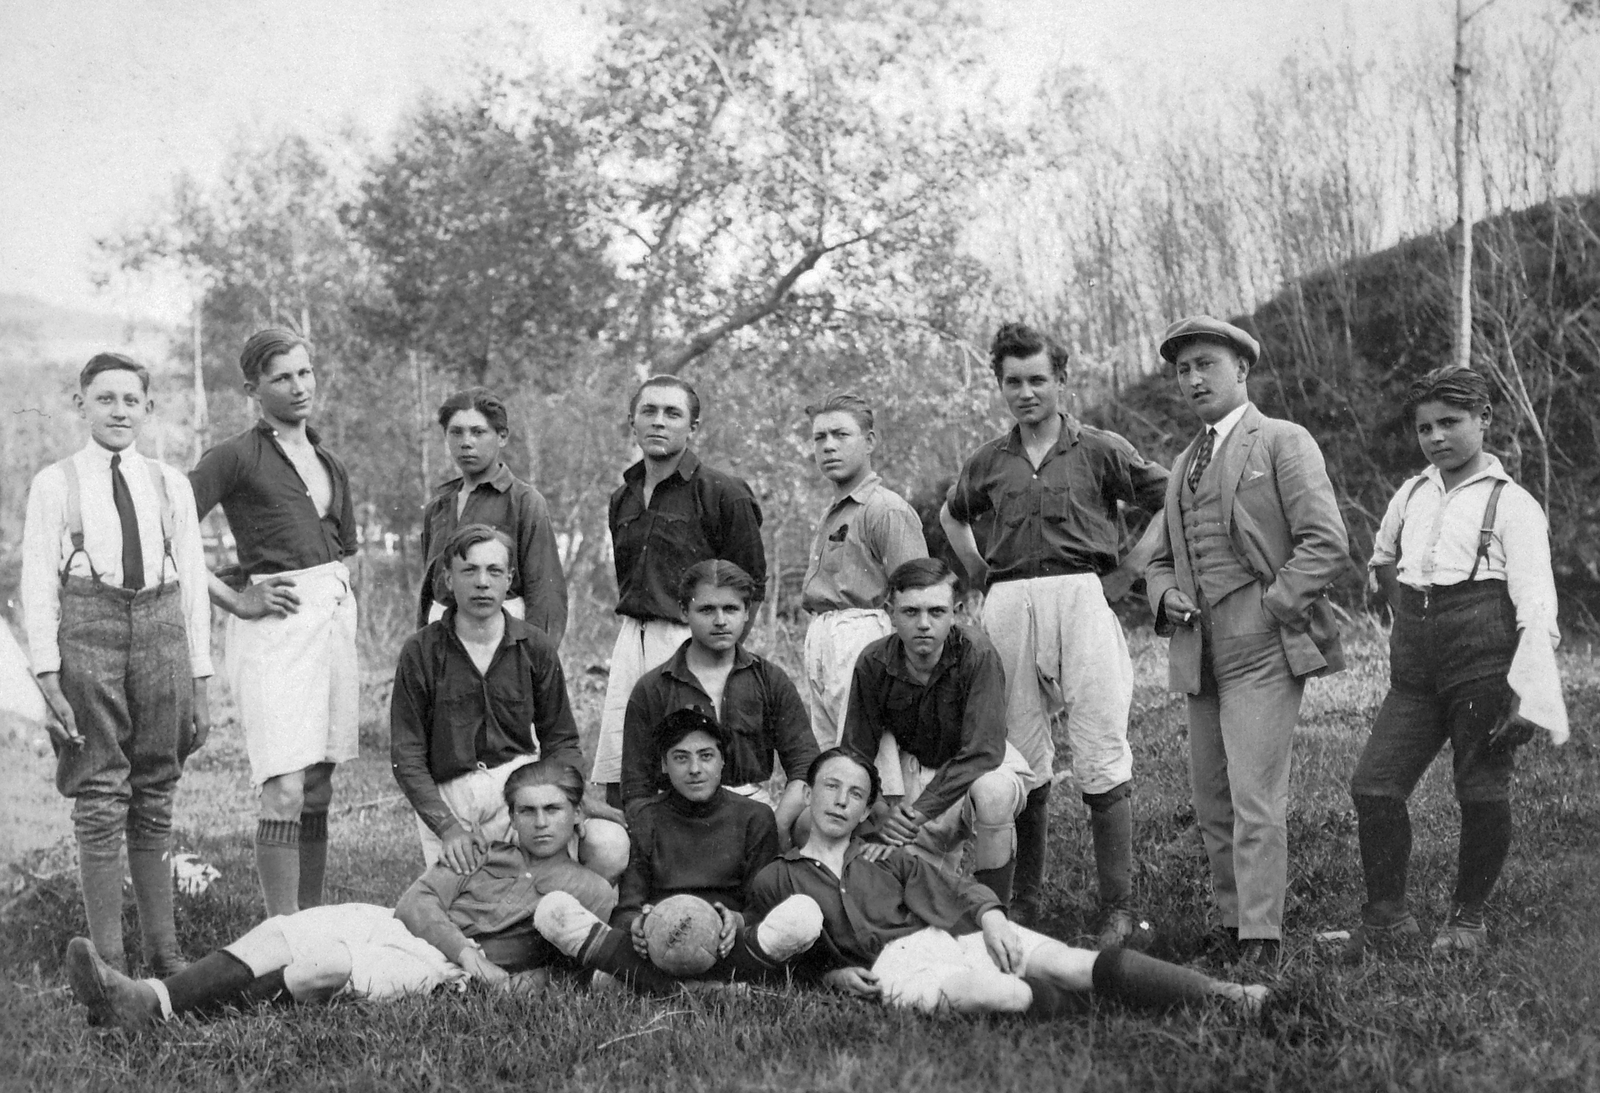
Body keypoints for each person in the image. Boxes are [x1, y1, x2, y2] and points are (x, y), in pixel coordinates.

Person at [63, 759, 619, 1034]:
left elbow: (571, 963)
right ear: (511, 815)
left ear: (577, 815)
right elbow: (415, 904)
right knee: (284, 930)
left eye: (553, 810)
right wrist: (466, 949)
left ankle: (165, 1015)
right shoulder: (483, 850)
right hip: (401, 927)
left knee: (320, 967)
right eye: (527, 810)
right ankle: (151, 997)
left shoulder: (588, 891)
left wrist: (482, 967)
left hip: (442, 970)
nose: (540, 822)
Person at [743, 749, 1268, 1017]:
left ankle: (1223, 994)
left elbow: (957, 891)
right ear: (808, 793)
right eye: (830, 787)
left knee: (1069, 961)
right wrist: (831, 976)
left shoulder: (885, 858)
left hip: (949, 935)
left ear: (865, 811)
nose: (840, 801)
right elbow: (769, 952)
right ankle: (1096, 1002)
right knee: (1003, 994)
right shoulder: (778, 878)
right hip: (893, 971)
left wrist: (993, 920)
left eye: (855, 794)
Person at [940, 322, 1168, 934]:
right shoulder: (989, 460)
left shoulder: (1099, 449)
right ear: (1000, 386)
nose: (1026, 393)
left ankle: (1117, 908)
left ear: (1061, 380)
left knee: (1100, 742)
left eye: (1038, 379)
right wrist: (979, 572)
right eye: (1013, 382)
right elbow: (952, 514)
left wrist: (1131, 570)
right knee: (1019, 749)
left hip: (1082, 597)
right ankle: (1025, 902)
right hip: (1010, 602)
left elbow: (1171, 498)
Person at [1144, 315, 1350, 970]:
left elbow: (1327, 542)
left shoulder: (1283, 440)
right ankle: (1231, 923)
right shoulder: (1183, 462)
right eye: (1183, 369)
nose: (1193, 379)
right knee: (1213, 800)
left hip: (1262, 646)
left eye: (1206, 363)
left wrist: (1273, 605)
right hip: (1199, 651)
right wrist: (1164, 596)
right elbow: (1159, 561)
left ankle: (1261, 938)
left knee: (1255, 796)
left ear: (1241, 369)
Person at [1345, 365, 1568, 958]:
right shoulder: (1412, 493)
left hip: (1482, 658)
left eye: (1450, 422)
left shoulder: (1513, 504)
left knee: (1480, 786)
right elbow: (1383, 557)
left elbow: (1536, 603)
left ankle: (1468, 919)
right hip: (1416, 664)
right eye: (1425, 428)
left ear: (1484, 419)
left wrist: (1527, 690)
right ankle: (1387, 918)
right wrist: (1404, 610)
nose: (1436, 437)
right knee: (1374, 785)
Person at [21, 352, 214, 975]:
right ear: (81, 404)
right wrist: (47, 674)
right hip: (88, 632)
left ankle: (165, 952)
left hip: (162, 631)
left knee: (155, 789)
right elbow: (37, 584)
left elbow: (194, 586)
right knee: (100, 792)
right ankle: (107, 962)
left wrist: (201, 680)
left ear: (148, 409)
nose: (119, 411)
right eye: (105, 399)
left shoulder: (170, 483)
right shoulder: (56, 483)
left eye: (131, 400)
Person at [190, 328, 360, 918]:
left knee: (317, 785)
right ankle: (282, 933)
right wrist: (237, 599)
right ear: (252, 390)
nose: (298, 386)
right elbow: (167, 533)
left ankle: (309, 926)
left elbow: (343, 551)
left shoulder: (329, 461)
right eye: (281, 377)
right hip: (274, 629)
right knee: (284, 785)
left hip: (331, 622)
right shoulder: (235, 456)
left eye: (304, 372)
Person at [390, 523, 629, 882]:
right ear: (448, 580)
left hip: (521, 788)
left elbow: (560, 737)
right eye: (469, 570)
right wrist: (447, 827)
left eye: (494, 571)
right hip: (452, 796)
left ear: (509, 579)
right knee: (466, 904)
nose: (482, 582)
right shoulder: (420, 651)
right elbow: (406, 753)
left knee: (608, 843)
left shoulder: (534, 646)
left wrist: (572, 798)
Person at [534, 709, 821, 994]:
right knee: (552, 910)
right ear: (664, 764)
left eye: (706, 756)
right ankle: (710, 989)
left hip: (728, 945)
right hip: (657, 947)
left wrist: (737, 921)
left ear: (722, 760)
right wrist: (638, 925)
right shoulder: (646, 816)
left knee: (803, 915)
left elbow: (760, 906)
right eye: (681, 758)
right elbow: (628, 907)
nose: (695, 769)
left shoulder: (755, 816)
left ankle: (649, 984)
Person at [590, 375, 767, 811]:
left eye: (672, 413)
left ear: (693, 427)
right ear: (632, 422)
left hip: (691, 641)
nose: (659, 421)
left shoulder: (722, 492)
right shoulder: (622, 498)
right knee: (624, 771)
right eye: (649, 411)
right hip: (632, 638)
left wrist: (719, 656)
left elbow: (751, 588)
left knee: (693, 767)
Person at [840, 558, 1032, 909]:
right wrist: (880, 810)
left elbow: (984, 750)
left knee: (994, 794)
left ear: (956, 613)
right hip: (910, 774)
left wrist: (918, 813)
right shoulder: (873, 661)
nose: (924, 624)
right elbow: (855, 750)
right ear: (890, 613)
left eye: (937, 611)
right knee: (910, 892)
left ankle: (994, 911)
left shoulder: (977, 653)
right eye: (910, 612)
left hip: (974, 769)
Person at [620, 560, 818, 846]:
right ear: (684, 611)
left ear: (747, 612)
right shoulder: (653, 688)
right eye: (706, 610)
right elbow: (636, 786)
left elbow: (805, 764)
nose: (720, 620)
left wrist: (777, 825)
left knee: (812, 823)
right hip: (678, 814)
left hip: (752, 807)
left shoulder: (769, 679)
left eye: (731, 609)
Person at [800, 392, 927, 794]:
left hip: (864, 638)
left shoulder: (885, 509)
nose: (828, 446)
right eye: (819, 437)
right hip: (824, 637)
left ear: (869, 441)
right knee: (834, 765)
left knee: (873, 764)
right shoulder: (836, 510)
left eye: (841, 434)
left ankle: (888, 833)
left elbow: (918, 597)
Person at [415, 387, 568, 643]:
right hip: (441, 643)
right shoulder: (438, 508)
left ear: (502, 437)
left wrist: (535, 658)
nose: (466, 442)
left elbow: (546, 597)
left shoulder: (525, 502)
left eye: (478, 432)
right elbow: (430, 592)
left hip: (503, 641)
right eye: (456, 432)